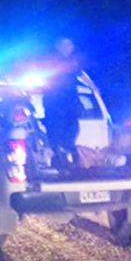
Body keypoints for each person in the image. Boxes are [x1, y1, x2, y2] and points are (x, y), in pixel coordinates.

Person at [41, 37, 83, 168]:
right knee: (56, 129)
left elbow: (81, 75)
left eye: (70, 45)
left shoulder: (73, 62)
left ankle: (65, 152)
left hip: (69, 101)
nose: (69, 47)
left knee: (72, 128)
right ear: (57, 46)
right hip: (55, 102)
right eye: (65, 45)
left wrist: (94, 87)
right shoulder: (51, 61)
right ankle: (58, 155)